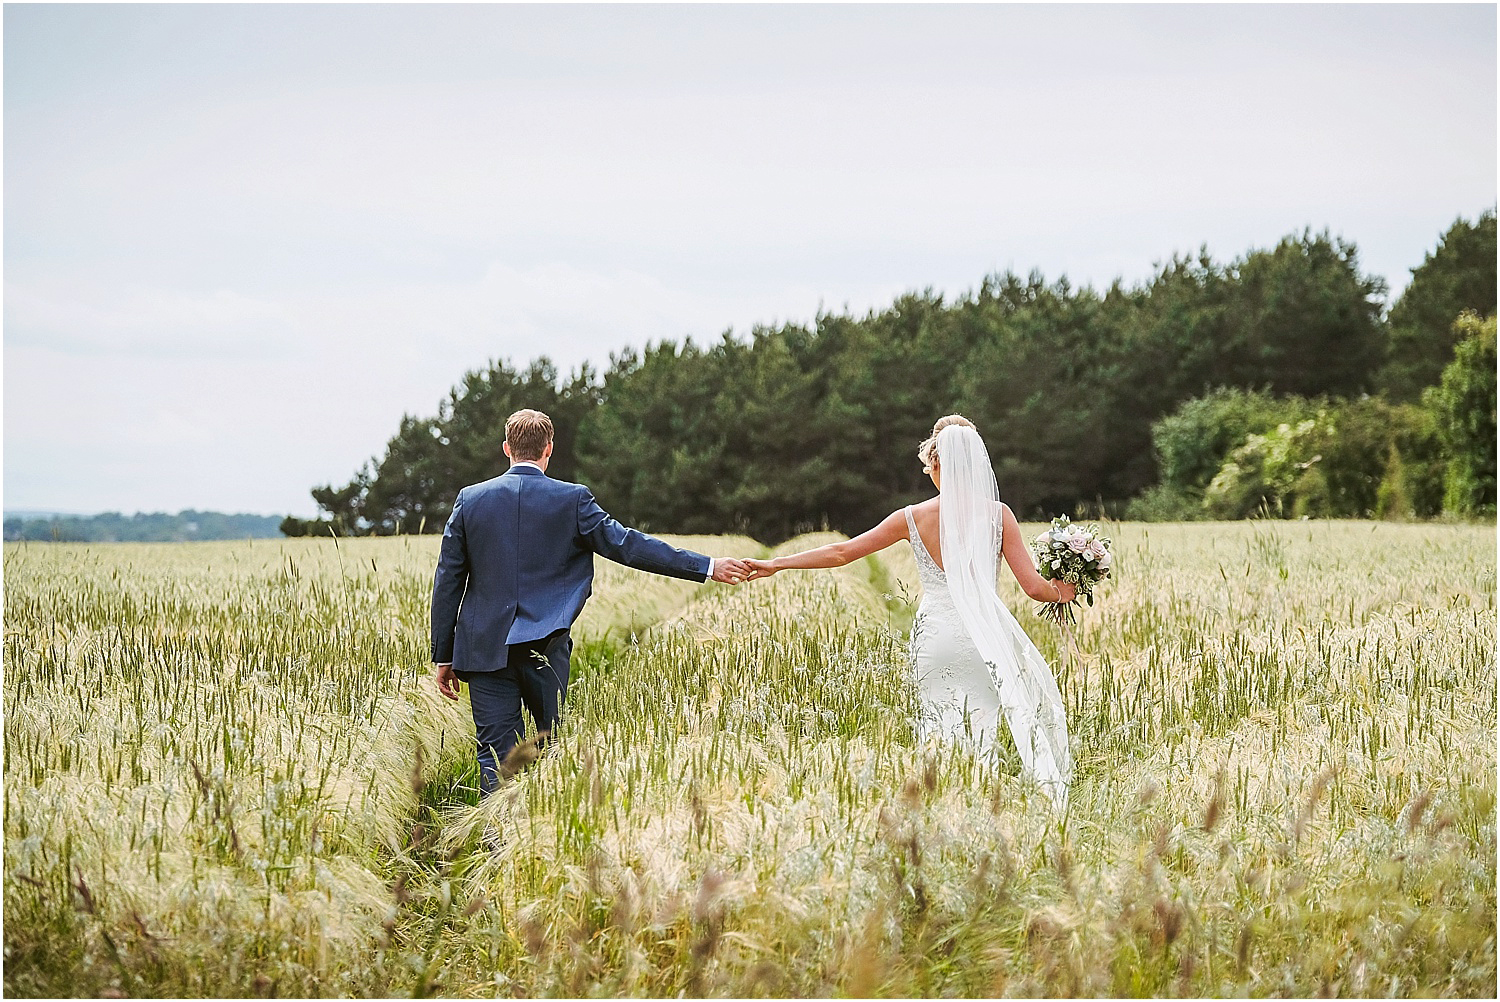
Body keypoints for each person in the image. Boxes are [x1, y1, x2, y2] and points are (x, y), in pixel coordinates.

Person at [743, 414, 1074, 803]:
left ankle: (940, 806)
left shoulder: (912, 517)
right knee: (982, 730)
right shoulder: (999, 515)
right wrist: (1064, 591)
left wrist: (775, 564)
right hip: (981, 637)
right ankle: (982, 807)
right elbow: (1035, 588)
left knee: (937, 727)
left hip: (935, 636)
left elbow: (842, 552)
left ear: (936, 464)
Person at [431, 408, 750, 794]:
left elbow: (448, 579)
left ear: (506, 449)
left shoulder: (470, 500)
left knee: (497, 758)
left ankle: (497, 843)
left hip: (482, 650)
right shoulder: (573, 500)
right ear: (549, 449)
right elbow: (629, 546)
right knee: (551, 750)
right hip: (545, 647)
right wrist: (708, 566)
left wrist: (444, 655)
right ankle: (541, 837)